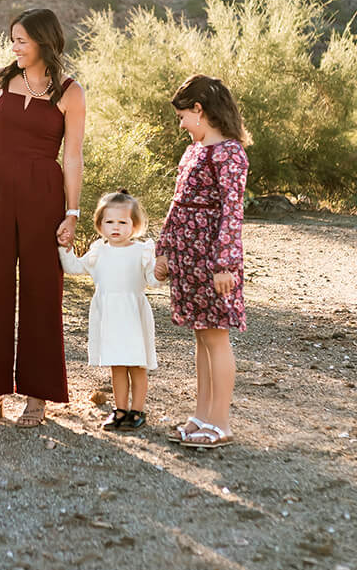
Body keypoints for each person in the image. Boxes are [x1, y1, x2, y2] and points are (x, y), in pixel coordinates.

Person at [0, 8, 85, 428]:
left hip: (44, 197)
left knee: (41, 293)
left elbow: (72, 157)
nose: (14, 46)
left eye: (21, 39)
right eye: (12, 39)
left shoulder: (70, 92)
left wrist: (72, 214)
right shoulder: (0, 84)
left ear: (43, 42)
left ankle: (38, 395)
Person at [153, 74, 250, 450]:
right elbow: (178, 203)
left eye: (182, 116)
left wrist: (225, 263)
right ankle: (202, 414)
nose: (180, 125)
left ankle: (220, 422)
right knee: (201, 337)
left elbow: (231, 213)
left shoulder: (230, 153)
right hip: (187, 257)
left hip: (213, 261)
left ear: (200, 109)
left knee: (216, 336)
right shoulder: (193, 151)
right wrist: (164, 249)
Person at [59, 191, 162, 431]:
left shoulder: (142, 251)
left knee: (137, 365)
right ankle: (120, 409)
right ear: (100, 224)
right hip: (110, 317)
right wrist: (64, 248)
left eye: (123, 222)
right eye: (109, 222)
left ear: (134, 225)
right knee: (117, 365)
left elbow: (153, 280)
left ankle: (137, 411)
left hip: (134, 315)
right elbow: (74, 267)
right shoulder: (98, 252)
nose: (116, 227)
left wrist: (161, 272)